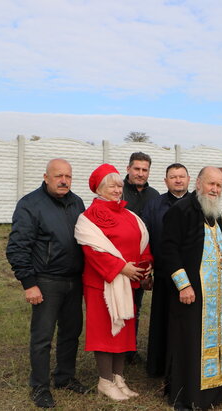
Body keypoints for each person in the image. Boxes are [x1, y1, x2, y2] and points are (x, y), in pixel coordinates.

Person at [159, 166, 222, 411]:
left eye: (219, 185)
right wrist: (183, 285)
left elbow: (211, 239)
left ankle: (217, 391)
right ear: (198, 183)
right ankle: (188, 396)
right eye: (211, 184)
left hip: (214, 295)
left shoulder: (212, 211)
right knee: (190, 342)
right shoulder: (181, 210)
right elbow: (168, 249)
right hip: (191, 292)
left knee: (215, 340)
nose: (215, 189)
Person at [6, 158, 88, 408]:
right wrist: (29, 283)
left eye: (68, 176)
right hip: (46, 280)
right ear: (46, 177)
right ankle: (39, 386)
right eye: (58, 176)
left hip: (74, 280)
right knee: (42, 337)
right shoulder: (30, 204)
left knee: (71, 332)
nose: (64, 181)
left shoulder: (77, 202)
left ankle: (64, 377)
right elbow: (17, 247)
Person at [74, 163, 153, 401]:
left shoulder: (129, 215)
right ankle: (105, 381)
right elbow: (92, 249)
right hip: (102, 284)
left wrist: (146, 266)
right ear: (99, 189)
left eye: (120, 185)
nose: (118, 190)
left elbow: (143, 242)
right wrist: (120, 268)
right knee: (105, 331)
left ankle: (119, 377)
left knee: (124, 330)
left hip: (128, 283)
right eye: (112, 186)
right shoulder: (88, 217)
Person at [142, 163, 192, 379]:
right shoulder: (155, 205)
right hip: (163, 273)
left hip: (191, 278)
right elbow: (144, 237)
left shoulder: (198, 204)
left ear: (189, 180)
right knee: (162, 321)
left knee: (185, 323)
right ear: (165, 181)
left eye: (181, 176)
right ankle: (159, 366)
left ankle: (185, 365)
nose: (178, 180)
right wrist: (147, 270)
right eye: (173, 177)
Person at [122, 151, 160, 363]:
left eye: (144, 170)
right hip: (119, 262)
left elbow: (154, 231)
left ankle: (130, 350)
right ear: (128, 169)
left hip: (142, 261)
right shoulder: (117, 190)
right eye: (136, 169)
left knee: (135, 307)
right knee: (117, 306)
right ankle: (114, 350)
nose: (140, 173)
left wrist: (149, 268)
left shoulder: (154, 196)